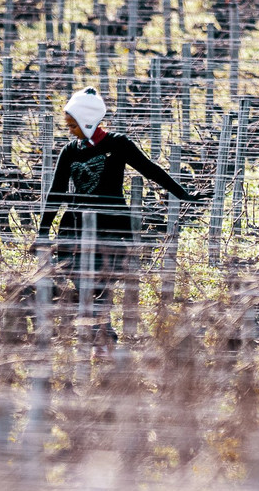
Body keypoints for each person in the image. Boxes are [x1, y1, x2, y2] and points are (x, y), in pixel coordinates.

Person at [35, 86, 210, 340]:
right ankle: (96, 327)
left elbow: (149, 169)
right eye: (69, 126)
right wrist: (43, 230)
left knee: (105, 278)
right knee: (78, 276)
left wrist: (183, 194)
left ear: (87, 122)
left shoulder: (118, 144)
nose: (70, 131)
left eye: (73, 125)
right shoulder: (69, 151)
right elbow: (56, 191)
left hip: (112, 225)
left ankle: (101, 329)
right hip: (75, 226)